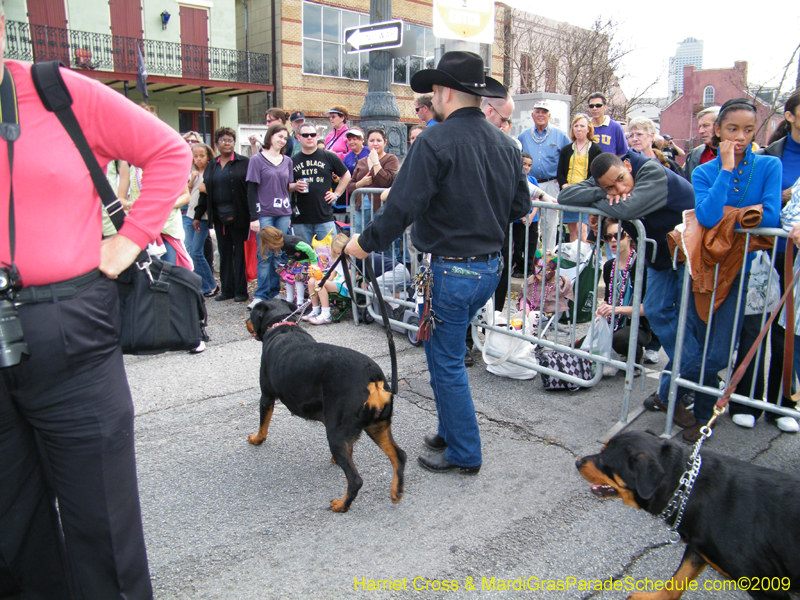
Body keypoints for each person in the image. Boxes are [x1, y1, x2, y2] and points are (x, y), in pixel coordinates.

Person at [0, 13, 191, 597]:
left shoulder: (54, 90)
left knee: (102, 528)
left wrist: (129, 239)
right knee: (10, 536)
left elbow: (169, 152)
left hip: (71, 330)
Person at [345, 51, 530, 475]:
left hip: (452, 270)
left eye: (433, 92)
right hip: (487, 268)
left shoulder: (434, 140)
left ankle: (465, 451)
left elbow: (402, 207)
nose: (433, 98)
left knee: (445, 363)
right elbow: (520, 205)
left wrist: (364, 243)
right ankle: (450, 430)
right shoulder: (506, 143)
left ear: (445, 92)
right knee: (440, 351)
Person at [558, 150, 697, 432]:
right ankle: (681, 378)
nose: (619, 189)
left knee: (692, 324)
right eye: (609, 186)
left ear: (628, 166)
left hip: (689, 257)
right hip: (661, 260)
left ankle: (686, 386)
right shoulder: (613, 181)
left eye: (621, 180)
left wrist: (606, 199)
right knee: (658, 312)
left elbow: (627, 210)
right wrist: (605, 193)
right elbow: (565, 197)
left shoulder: (653, 172)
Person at [729, 91, 800, 431]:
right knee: (754, 324)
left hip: (796, 260)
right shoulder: (771, 156)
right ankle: (746, 398)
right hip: (767, 252)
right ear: (790, 116)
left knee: (791, 331)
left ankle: (784, 402)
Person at [194, 127, 251, 303]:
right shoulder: (212, 165)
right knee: (224, 252)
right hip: (219, 217)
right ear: (217, 143)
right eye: (223, 140)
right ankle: (227, 289)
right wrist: (198, 215)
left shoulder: (244, 162)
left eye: (230, 140)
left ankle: (241, 291)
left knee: (240, 254)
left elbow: (251, 189)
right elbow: (205, 192)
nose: (227, 143)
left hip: (240, 215)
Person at [247, 122, 299, 305]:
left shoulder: (288, 161)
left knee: (278, 254)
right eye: (279, 136)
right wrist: (253, 217)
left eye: (285, 138)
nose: (282, 140)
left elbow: (287, 187)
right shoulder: (257, 160)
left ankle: (275, 292)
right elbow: (251, 189)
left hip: (283, 212)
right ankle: (261, 295)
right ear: (270, 137)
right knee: (264, 254)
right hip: (264, 213)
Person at [595, 219, 651, 363]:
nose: (613, 241)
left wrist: (616, 309)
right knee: (578, 347)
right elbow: (608, 298)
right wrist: (602, 309)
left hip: (637, 325)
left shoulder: (641, 265)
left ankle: (636, 358)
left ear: (630, 236)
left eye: (618, 235)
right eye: (608, 237)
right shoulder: (609, 266)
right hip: (613, 323)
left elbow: (649, 308)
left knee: (619, 340)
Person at [517, 101, 570, 252]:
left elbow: (567, 159)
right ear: (532, 115)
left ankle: (548, 262)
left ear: (549, 115)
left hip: (550, 183)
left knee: (550, 225)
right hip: (529, 184)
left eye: (544, 112)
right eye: (538, 111)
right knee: (530, 223)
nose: (541, 115)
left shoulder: (560, 136)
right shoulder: (524, 136)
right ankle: (529, 260)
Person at [291, 123, 351, 245]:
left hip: (324, 217)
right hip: (300, 219)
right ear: (298, 137)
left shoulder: (328, 156)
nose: (309, 137)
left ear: (317, 136)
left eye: (312, 135)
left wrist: (336, 194)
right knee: (305, 259)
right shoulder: (292, 160)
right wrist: (295, 186)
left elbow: (346, 175)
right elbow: (285, 185)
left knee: (329, 257)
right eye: (305, 135)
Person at [557, 113, 603, 241]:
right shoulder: (566, 149)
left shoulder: (596, 149)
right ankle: (573, 259)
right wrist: (565, 185)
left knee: (582, 228)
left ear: (588, 129)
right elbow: (560, 171)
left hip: (585, 194)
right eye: (575, 126)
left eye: (582, 126)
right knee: (572, 229)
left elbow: (597, 173)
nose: (578, 129)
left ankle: (583, 258)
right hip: (570, 193)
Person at [346, 128, 399, 234]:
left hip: (382, 207)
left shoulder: (391, 159)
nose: (375, 143)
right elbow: (349, 186)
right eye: (371, 140)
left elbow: (386, 182)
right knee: (360, 239)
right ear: (367, 142)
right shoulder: (361, 161)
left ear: (385, 142)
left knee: (383, 238)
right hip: (361, 208)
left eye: (379, 140)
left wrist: (375, 162)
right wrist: (360, 184)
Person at [185, 143, 219, 297]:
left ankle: (210, 284)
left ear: (208, 156)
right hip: (189, 214)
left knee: (197, 252)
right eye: (196, 156)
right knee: (189, 250)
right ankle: (200, 284)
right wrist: (191, 181)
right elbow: (185, 193)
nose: (198, 159)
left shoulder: (211, 172)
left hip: (203, 217)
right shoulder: (191, 172)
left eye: (202, 156)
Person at [258, 226, 318, 307]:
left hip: (306, 261)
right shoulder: (282, 244)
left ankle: (300, 302)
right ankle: (289, 300)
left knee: (298, 280)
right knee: (288, 279)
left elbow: (309, 249)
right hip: (297, 261)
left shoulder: (289, 242)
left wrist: (314, 263)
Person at [302, 233, 350, 325]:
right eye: (336, 253)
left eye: (340, 253)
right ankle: (315, 310)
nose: (338, 255)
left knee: (320, 284)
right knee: (312, 280)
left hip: (345, 287)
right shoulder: (338, 259)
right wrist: (319, 276)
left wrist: (321, 282)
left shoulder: (352, 260)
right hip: (337, 283)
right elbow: (331, 275)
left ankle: (326, 315)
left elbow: (353, 277)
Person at [684, 106, 720, 181]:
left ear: (719, 127)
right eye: (700, 127)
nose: (701, 131)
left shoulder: (739, 153)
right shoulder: (695, 154)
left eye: (706, 126)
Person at [587, 92, 628, 156]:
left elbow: (622, 153)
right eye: (591, 106)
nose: (594, 108)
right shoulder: (585, 126)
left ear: (605, 107)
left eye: (598, 105)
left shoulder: (615, 127)